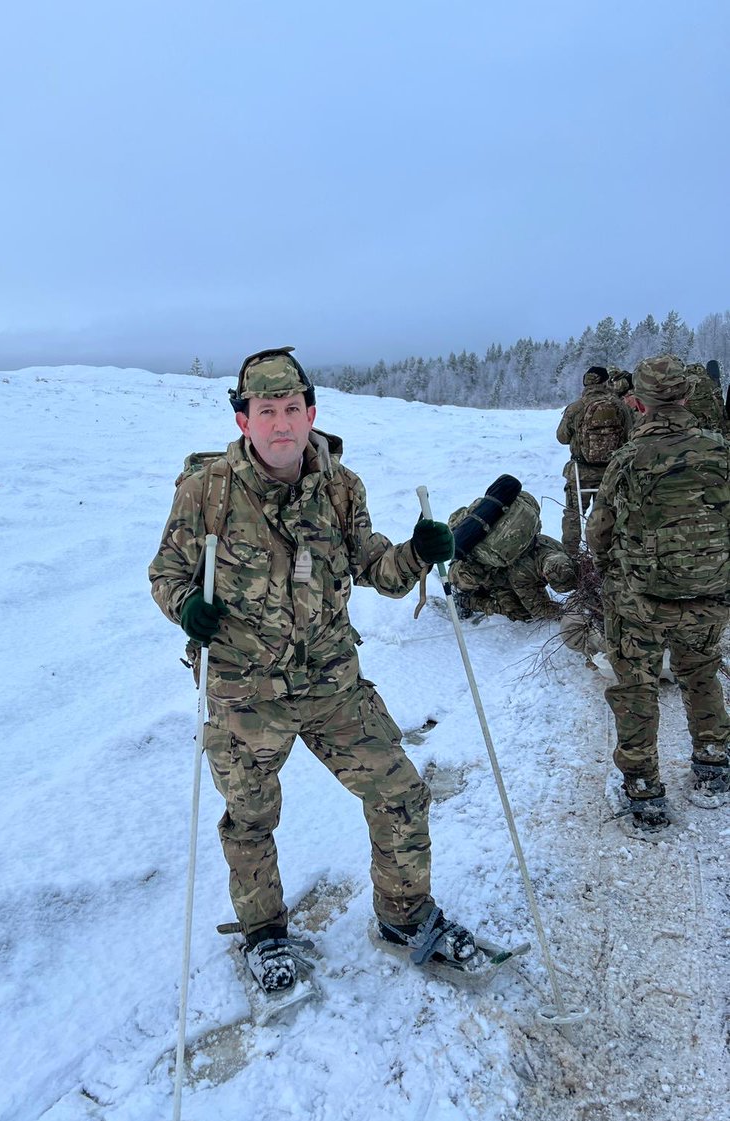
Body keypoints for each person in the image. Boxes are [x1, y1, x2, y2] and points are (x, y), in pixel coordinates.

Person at [149, 346, 474, 995]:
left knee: (400, 792)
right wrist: (189, 608)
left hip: (330, 681)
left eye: (291, 408)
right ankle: (265, 932)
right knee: (250, 817)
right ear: (244, 419)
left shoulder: (340, 486)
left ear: (310, 413)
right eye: (265, 410)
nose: (280, 423)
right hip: (243, 689)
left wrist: (417, 553)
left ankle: (404, 917)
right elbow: (167, 573)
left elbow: (374, 567)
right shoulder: (206, 491)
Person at [586, 354, 730, 827]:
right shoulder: (720, 450)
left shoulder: (629, 458)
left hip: (641, 601)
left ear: (640, 403)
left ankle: (644, 793)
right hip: (710, 594)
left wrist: (613, 574)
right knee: (703, 675)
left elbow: (598, 533)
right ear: (688, 396)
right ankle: (712, 765)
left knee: (636, 689)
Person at [447, 479, 576, 622]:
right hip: (494, 576)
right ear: (544, 574)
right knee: (519, 613)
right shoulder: (523, 573)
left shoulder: (555, 549)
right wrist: (567, 613)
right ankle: (466, 601)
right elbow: (538, 608)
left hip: (504, 557)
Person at [557, 366, 634, 558]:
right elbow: (630, 435)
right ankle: (609, 557)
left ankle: (571, 557)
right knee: (610, 515)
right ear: (606, 381)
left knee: (573, 514)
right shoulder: (619, 405)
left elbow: (562, 437)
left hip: (580, 472)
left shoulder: (576, 407)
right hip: (611, 473)